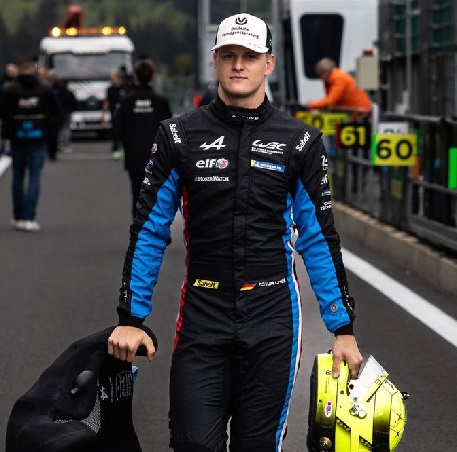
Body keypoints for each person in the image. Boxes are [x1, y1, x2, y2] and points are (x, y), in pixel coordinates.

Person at [107, 13, 363, 452]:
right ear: (215, 61)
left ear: (269, 63)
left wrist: (342, 327)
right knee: (193, 444)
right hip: (203, 313)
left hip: (273, 317)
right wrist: (132, 319)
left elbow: (318, 237)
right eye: (229, 55)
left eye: (249, 55)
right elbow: (149, 230)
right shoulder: (178, 136)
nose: (238, 65)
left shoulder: (301, 142)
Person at [0, 57, 60, 232]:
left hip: (17, 137)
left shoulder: (10, 90)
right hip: (38, 137)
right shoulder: (44, 90)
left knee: (17, 176)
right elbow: (56, 112)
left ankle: (18, 216)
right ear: (34, 70)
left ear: (18, 71)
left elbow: (1, 112)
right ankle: (29, 217)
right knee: (34, 177)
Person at [112, 59, 172, 218]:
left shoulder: (126, 101)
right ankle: (153, 227)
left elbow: (117, 128)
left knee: (137, 193)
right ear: (153, 76)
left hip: (133, 155)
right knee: (155, 194)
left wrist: (118, 145)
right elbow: (169, 129)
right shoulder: (161, 102)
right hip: (156, 156)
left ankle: (138, 226)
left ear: (136, 76)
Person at [307, 57, 372, 112]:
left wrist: (311, 105)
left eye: (320, 75)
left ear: (325, 73)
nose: (320, 78)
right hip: (355, 109)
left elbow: (330, 101)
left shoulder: (338, 78)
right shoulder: (333, 78)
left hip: (360, 111)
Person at [102, 71, 128, 158]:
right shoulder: (110, 90)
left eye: (114, 79)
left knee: (125, 132)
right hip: (115, 114)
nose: (112, 81)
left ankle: (125, 147)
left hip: (125, 115)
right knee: (115, 132)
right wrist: (103, 115)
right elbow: (107, 102)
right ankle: (116, 148)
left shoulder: (125, 89)